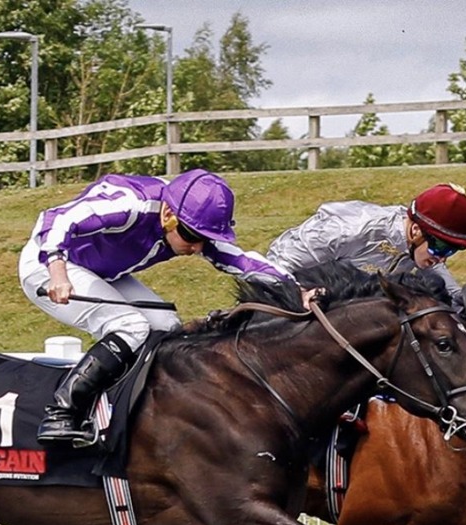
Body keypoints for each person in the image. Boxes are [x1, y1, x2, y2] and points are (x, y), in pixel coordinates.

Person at [19, 168, 295, 445]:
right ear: (167, 215)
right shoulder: (130, 204)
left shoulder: (185, 219)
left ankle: (137, 409)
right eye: (191, 236)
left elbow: (242, 261)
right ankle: (61, 413)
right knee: (130, 325)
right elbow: (55, 218)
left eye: (206, 239)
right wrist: (58, 273)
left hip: (100, 270)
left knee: (167, 325)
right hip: (47, 264)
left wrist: (297, 289)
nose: (198, 248)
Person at [265, 182, 466, 308]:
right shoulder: (352, 230)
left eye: (452, 250)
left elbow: (453, 296)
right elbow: (274, 263)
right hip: (293, 310)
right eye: (442, 247)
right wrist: (299, 293)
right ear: (416, 230)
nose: (442, 259)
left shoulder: (421, 249)